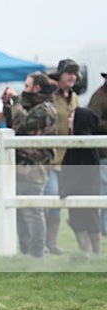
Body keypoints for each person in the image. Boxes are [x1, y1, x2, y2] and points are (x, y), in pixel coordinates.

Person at [2, 72, 57, 258]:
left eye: (27, 86)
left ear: (37, 88)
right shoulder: (33, 106)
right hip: (21, 166)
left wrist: (16, 99)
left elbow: (21, 124)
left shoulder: (45, 109)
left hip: (35, 168)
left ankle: (37, 252)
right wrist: (7, 105)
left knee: (33, 210)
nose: (24, 90)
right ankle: (26, 251)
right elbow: (12, 125)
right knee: (19, 212)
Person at [43, 59, 81, 254]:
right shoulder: (51, 97)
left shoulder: (74, 97)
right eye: (69, 73)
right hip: (51, 156)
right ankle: (41, 242)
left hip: (68, 159)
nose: (72, 77)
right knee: (49, 197)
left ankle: (51, 243)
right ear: (60, 75)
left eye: (75, 73)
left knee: (59, 201)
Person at [60, 108, 101, 254]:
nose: (69, 119)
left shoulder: (85, 145)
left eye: (72, 116)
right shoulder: (76, 142)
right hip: (77, 190)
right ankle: (88, 256)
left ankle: (92, 256)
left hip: (83, 190)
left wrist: (68, 188)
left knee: (87, 225)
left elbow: (84, 173)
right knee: (82, 225)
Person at [86, 70, 107, 237]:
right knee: (103, 193)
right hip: (103, 153)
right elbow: (93, 123)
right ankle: (102, 228)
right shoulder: (99, 98)